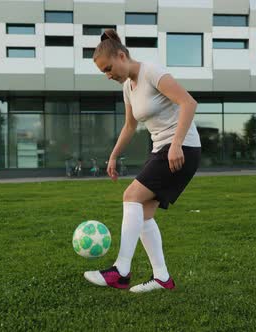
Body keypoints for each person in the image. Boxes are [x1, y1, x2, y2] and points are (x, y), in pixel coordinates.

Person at [83, 29, 201, 293]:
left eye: (109, 68)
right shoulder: (128, 86)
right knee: (144, 215)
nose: (108, 75)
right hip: (161, 148)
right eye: (103, 72)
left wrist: (177, 144)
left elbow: (189, 103)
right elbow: (129, 125)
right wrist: (113, 155)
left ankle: (121, 271)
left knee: (131, 196)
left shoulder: (152, 72)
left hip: (182, 148)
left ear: (122, 55)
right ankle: (162, 278)